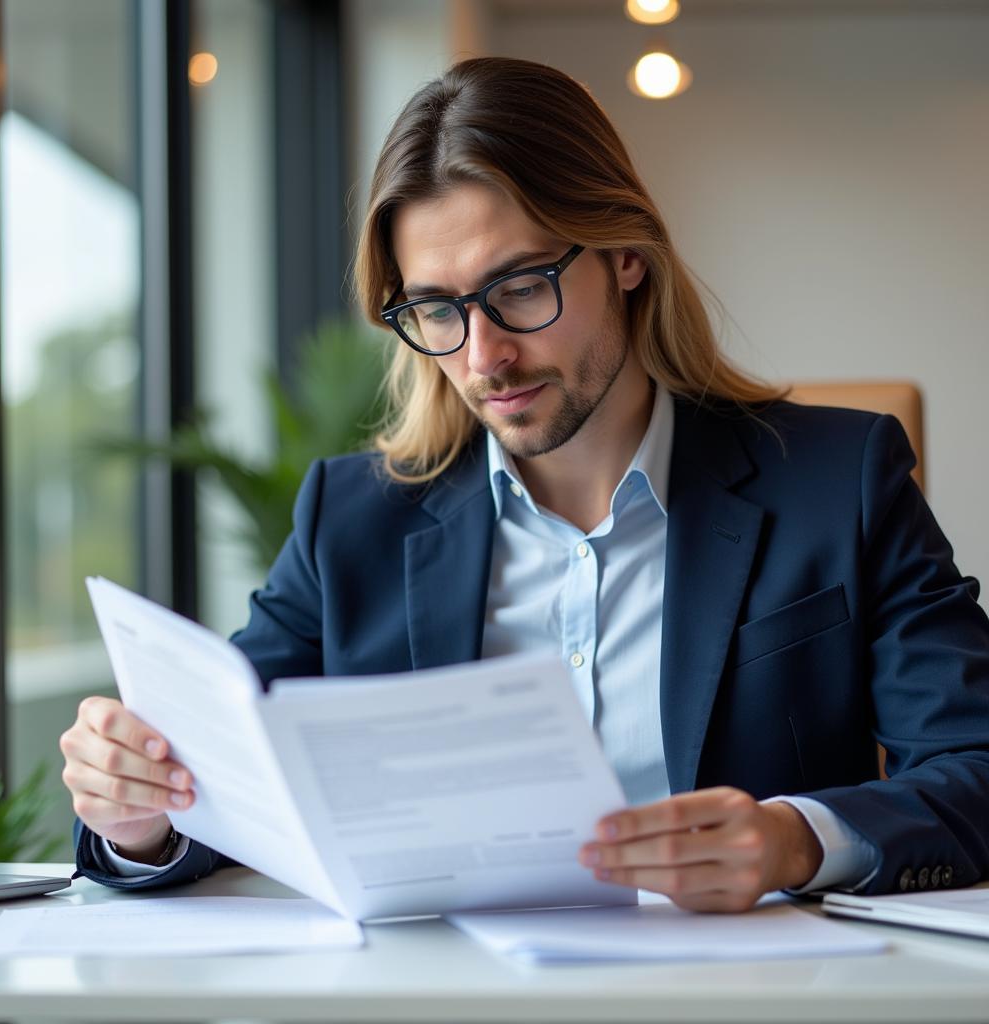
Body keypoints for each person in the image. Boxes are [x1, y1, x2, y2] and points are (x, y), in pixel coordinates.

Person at [61, 57, 989, 912]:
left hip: (746, 995)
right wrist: (141, 814)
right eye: (436, 308)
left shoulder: (841, 481)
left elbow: (974, 766)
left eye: (521, 287)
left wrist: (796, 841)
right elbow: (227, 779)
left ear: (627, 256)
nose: (484, 355)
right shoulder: (354, 521)